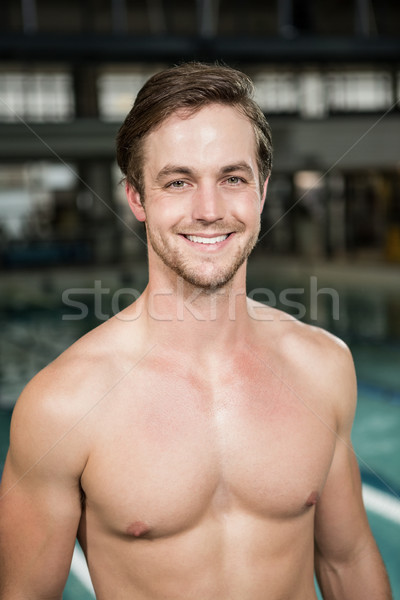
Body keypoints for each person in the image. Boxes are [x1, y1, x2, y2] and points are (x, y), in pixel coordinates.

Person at [0, 62, 392, 600]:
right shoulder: (63, 406)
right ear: (136, 198)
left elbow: (348, 563)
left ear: (261, 191)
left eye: (232, 178)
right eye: (178, 182)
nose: (209, 211)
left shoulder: (322, 366)